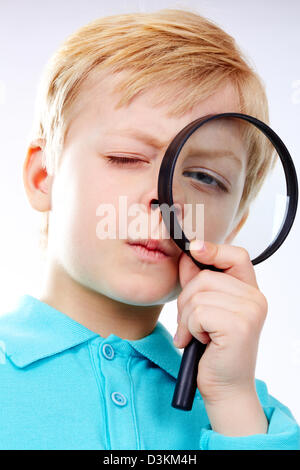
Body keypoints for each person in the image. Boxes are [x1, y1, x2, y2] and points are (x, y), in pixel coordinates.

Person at [0, 8, 299, 450]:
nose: (164, 199)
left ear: (232, 229)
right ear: (44, 176)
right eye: (125, 158)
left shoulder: (254, 419)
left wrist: (233, 405)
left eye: (204, 178)